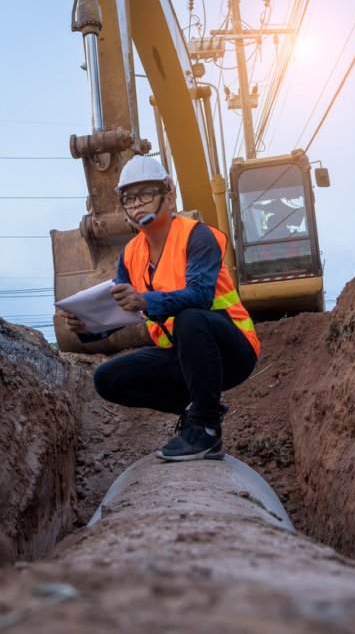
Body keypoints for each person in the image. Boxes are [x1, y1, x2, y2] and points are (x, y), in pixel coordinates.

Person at [58, 156, 260, 461]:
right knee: (106, 379)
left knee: (190, 318)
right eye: (129, 198)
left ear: (169, 196)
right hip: (183, 355)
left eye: (146, 194)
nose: (137, 204)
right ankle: (194, 410)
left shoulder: (197, 236)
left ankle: (205, 430)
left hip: (231, 351)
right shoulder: (130, 255)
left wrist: (146, 301)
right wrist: (91, 326)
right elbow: (125, 308)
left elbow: (201, 297)